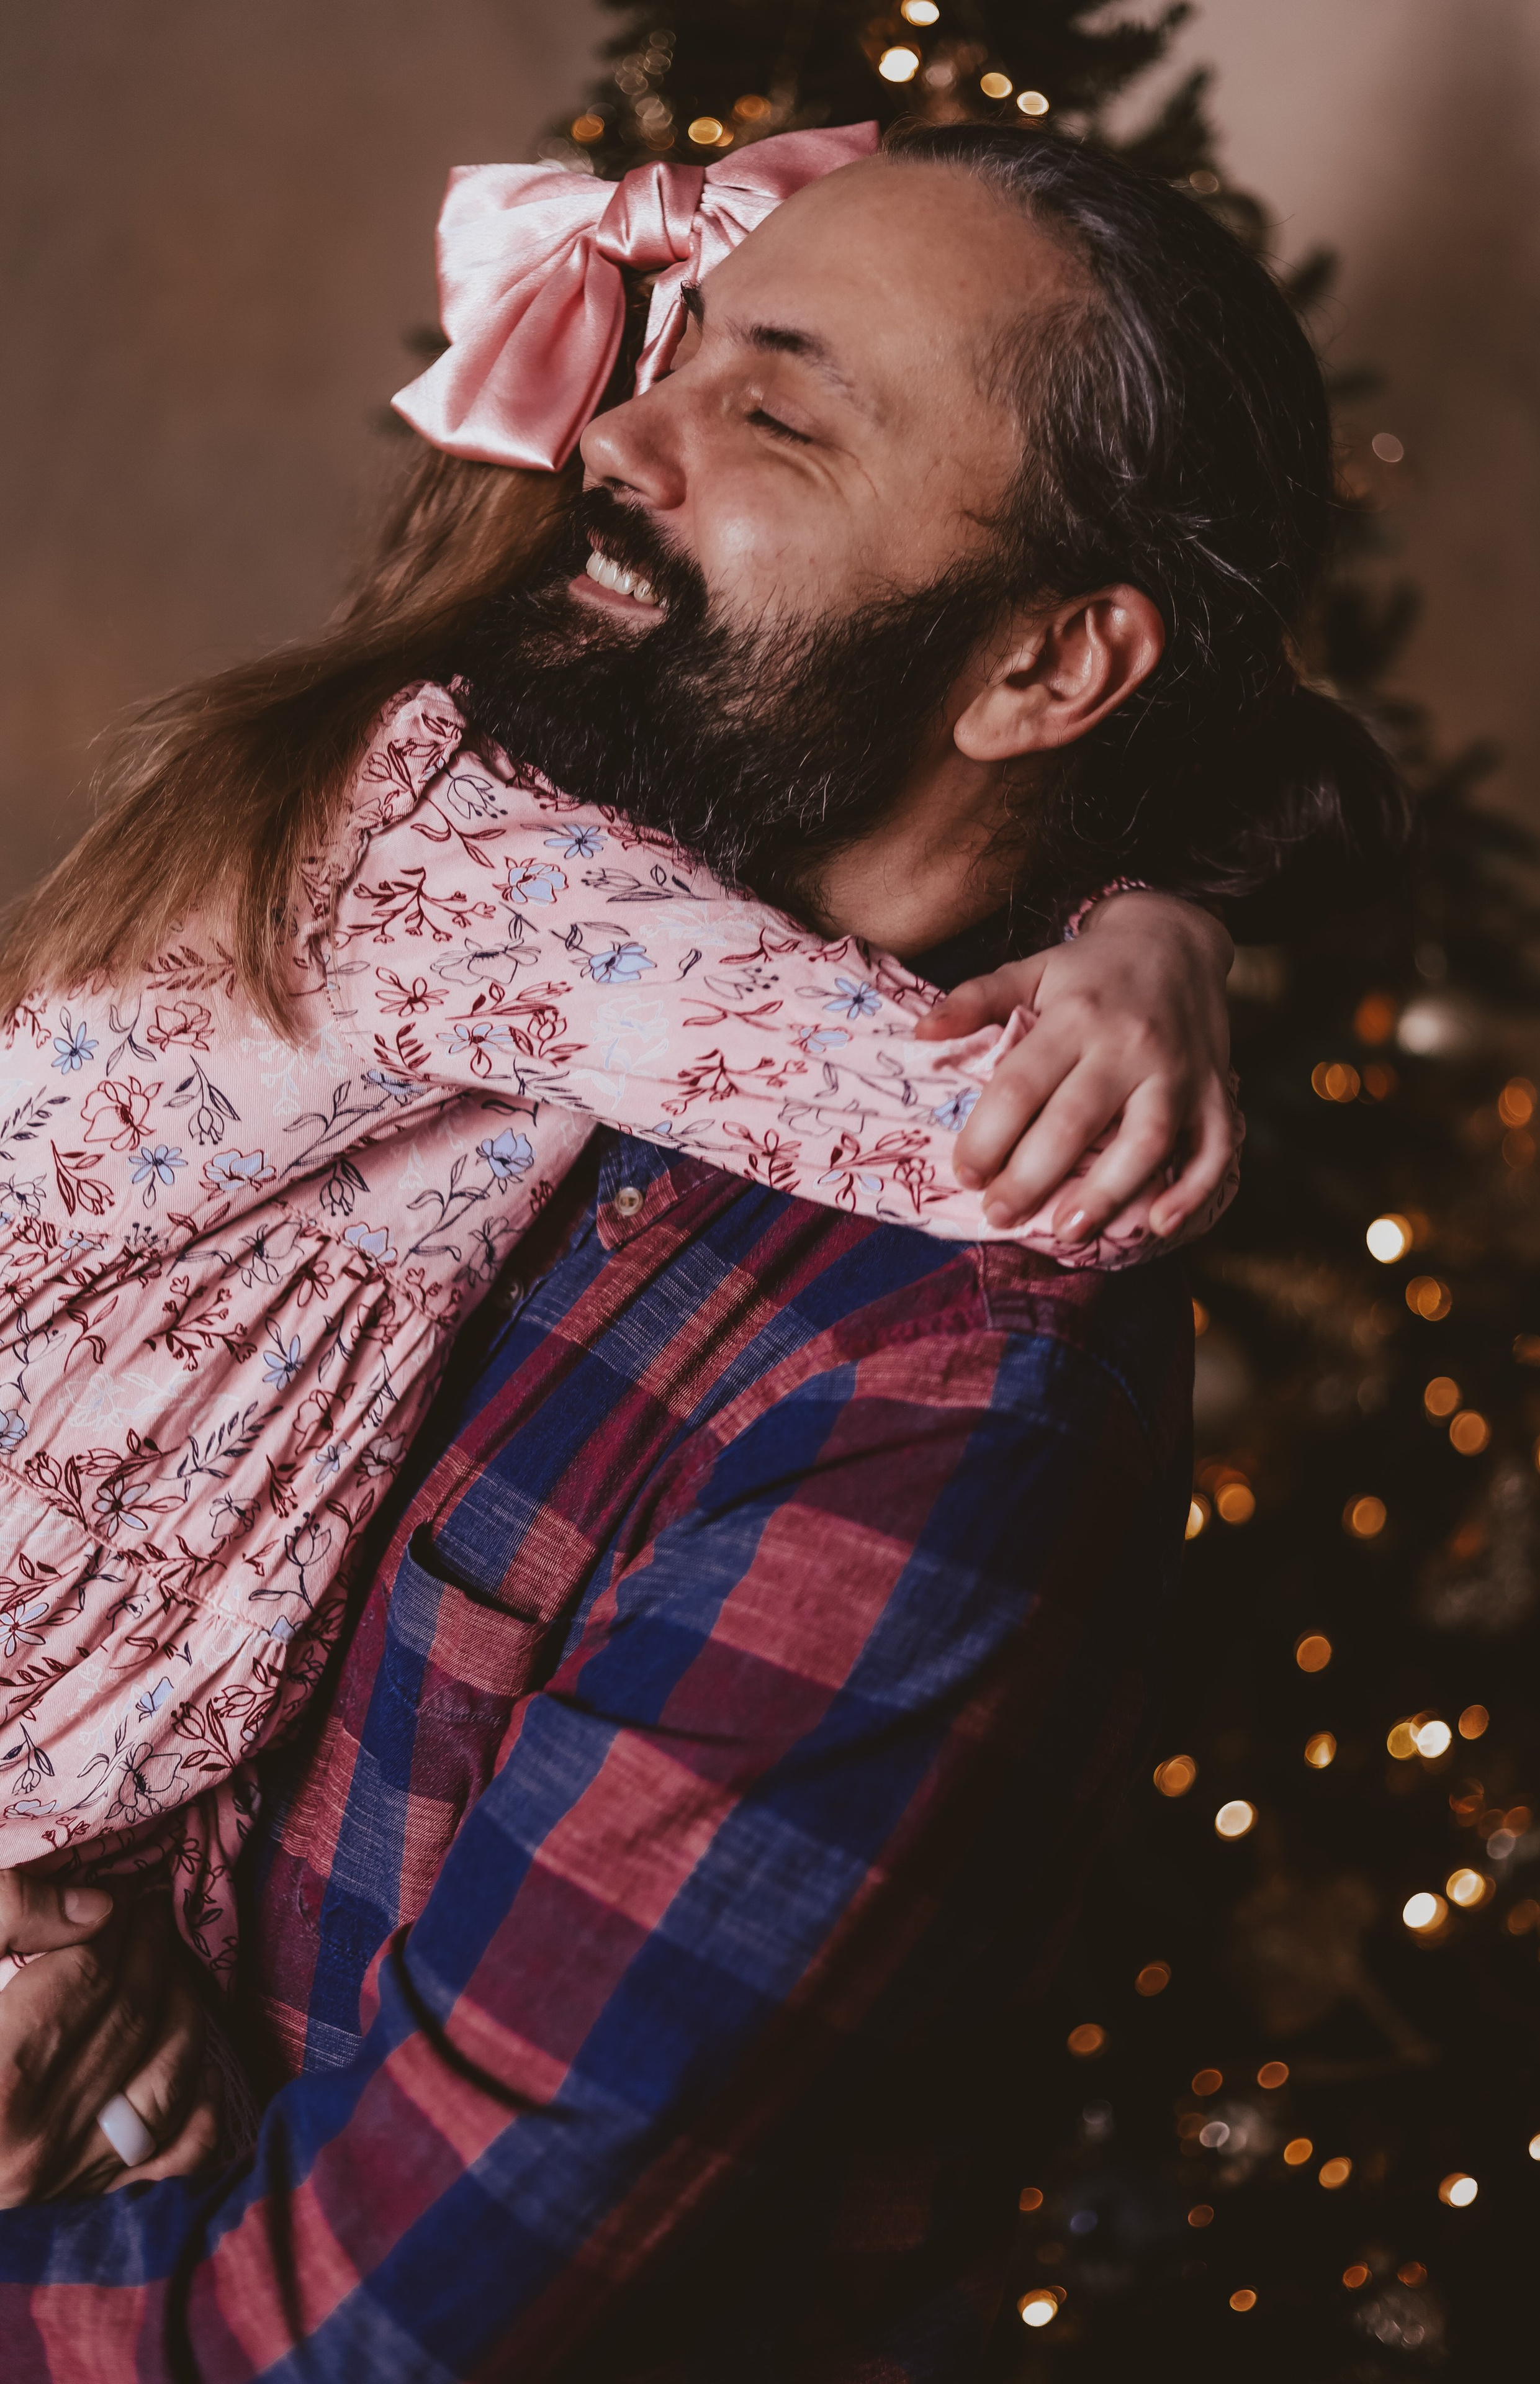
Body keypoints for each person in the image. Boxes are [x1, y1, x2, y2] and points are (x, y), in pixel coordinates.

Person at [0, 122, 1404, 2379]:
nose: (612, 429)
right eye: (670, 349)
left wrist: (1157, 933)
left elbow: (352, 2335)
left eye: (773, 406)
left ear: (1052, 662)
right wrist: (1168, 926)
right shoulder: (542, 911)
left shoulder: (948, 1372)